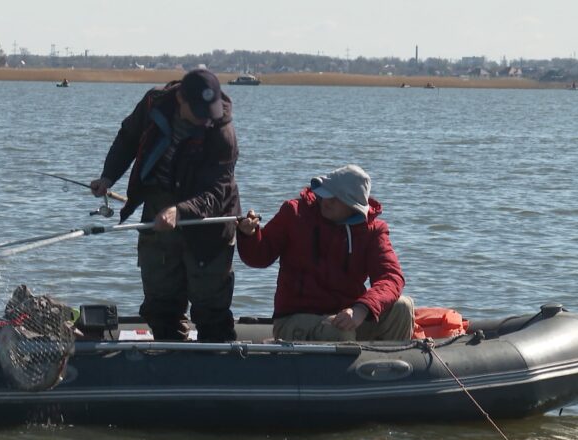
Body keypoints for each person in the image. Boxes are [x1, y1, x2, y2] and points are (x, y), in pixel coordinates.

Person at [90, 68, 241, 342]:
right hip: (158, 207)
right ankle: (173, 359)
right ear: (180, 98)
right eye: (198, 111)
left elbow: (218, 191)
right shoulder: (154, 103)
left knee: (210, 310)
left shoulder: (223, 133)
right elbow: (128, 138)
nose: (206, 118)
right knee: (161, 305)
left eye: (210, 110)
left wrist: (179, 211)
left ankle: (217, 369)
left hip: (208, 221)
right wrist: (108, 175)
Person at [237, 164, 414, 342]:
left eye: (337, 198)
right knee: (339, 332)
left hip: (348, 315)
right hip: (296, 317)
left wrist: (361, 309)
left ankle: (391, 365)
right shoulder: (295, 213)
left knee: (402, 307)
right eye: (326, 193)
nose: (327, 201)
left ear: (354, 206)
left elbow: (391, 277)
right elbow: (259, 256)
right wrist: (249, 235)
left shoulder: (373, 230)